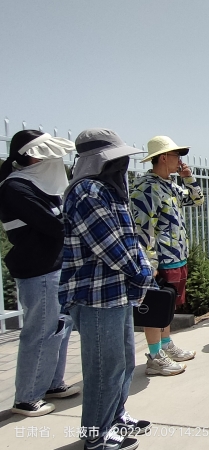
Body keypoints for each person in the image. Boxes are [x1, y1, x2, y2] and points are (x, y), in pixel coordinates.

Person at [59, 128, 152, 450]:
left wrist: (140, 270)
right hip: (95, 296)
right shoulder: (87, 191)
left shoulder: (108, 191)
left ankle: (115, 417)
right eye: (117, 159)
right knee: (104, 369)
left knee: (122, 362)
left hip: (116, 292)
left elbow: (131, 238)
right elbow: (109, 244)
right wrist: (141, 272)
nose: (123, 165)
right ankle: (96, 437)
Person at [0, 130, 80, 417]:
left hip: (55, 267)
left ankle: (52, 383)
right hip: (39, 269)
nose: (56, 161)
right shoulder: (16, 187)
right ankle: (27, 397)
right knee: (40, 332)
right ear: (31, 158)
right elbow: (56, 226)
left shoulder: (40, 185)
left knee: (59, 327)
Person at [130, 135, 204, 376]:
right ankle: (154, 356)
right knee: (155, 307)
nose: (180, 160)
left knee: (167, 306)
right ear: (163, 158)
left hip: (176, 256)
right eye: (176, 155)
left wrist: (188, 177)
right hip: (160, 259)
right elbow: (143, 228)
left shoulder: (170, 185)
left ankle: (165, 344)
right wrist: (149, 263)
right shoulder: (147, 187)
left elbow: (197, 199)